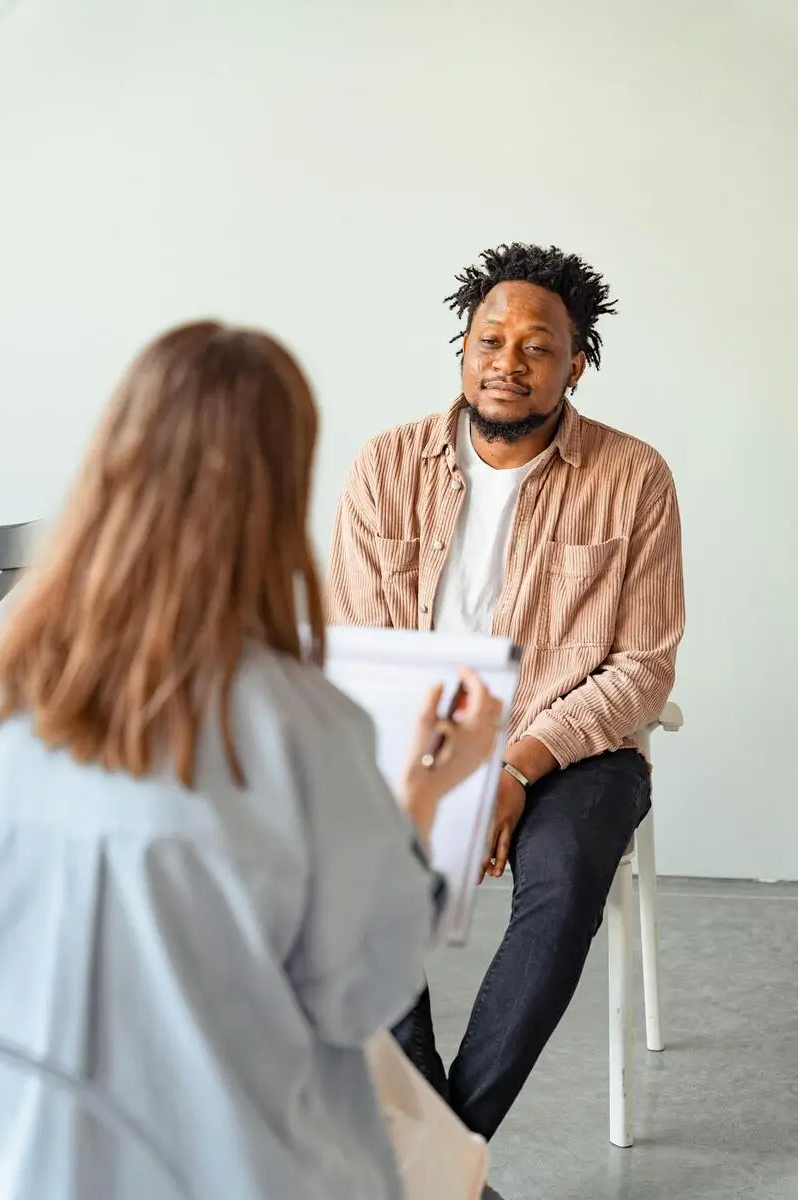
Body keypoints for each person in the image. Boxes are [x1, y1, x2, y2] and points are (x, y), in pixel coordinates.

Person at [0, 321, 504, 1200]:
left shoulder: (16, 694)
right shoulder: (299, 725)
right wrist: (423, 790)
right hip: (238, 1166)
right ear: (280, 489)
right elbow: (361, 991)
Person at [326, 241, 686, 1141]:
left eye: (537, 347)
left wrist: (518, 766)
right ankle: (444, 1165)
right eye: (491, 341)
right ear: (463, 349)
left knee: (563, 884)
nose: (508, 364)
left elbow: (642, 665)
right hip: (419, 737)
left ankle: (439, 1154)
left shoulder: (633, 477)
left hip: (571, 749)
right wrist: (451, 765)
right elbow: (362, 645)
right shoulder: (386, 466)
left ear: (578, 365)